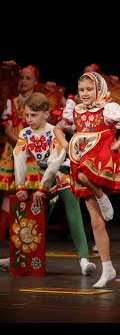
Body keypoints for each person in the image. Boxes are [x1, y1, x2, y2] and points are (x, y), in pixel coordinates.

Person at [53, 72, 120, 288]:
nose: (85, 94)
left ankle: (103, 197)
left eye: (89, 90)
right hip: (82, 158)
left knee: (84, 174)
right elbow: (58, 128)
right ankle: (108, 267)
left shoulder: (107, 110)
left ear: (99, 90)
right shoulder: (75, 111)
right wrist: (65, 145)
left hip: (101, 162)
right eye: (82, 90)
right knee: (95, 220)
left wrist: (116, 144)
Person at [0, 93, 96, 275]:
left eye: (34, 115)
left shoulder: (55, 131)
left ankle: (84, 260)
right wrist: (20, 187)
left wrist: (42, 189)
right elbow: (18, 159)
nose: (29, 119)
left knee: (73, 210)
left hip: (64, 174)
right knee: (36, 219)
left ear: (46, 114)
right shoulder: (24, 133)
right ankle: (16, 257)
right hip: (46, 177)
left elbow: (55, 161)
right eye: (27, 115)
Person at [0, 64, 42, 243]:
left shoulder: (40, 101)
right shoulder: (12, 102)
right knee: (8, 196)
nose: (23, 81)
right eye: (21, 78)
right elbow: (8, 131)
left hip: (33, 154)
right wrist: (23, 144)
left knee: (33, 195)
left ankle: (30, 240)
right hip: (14, 152)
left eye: (28, 78)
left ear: (35, 82)